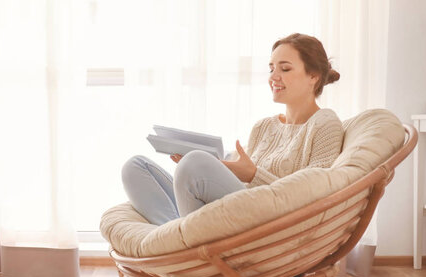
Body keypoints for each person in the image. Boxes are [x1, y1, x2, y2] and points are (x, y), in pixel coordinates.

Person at [122, 33, 344, 226]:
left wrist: (254, 175)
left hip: (267, 222)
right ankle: (176, 234)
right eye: (271, 68)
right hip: (233, 208)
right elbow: (234, 178)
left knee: (194, 163)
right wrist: (220, 166)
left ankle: (178, 236)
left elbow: (316, 196)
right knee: (135, 167)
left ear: (313, 76)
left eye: (285, 68)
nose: (273, 77)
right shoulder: (264, 126)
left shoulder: (325, 123)